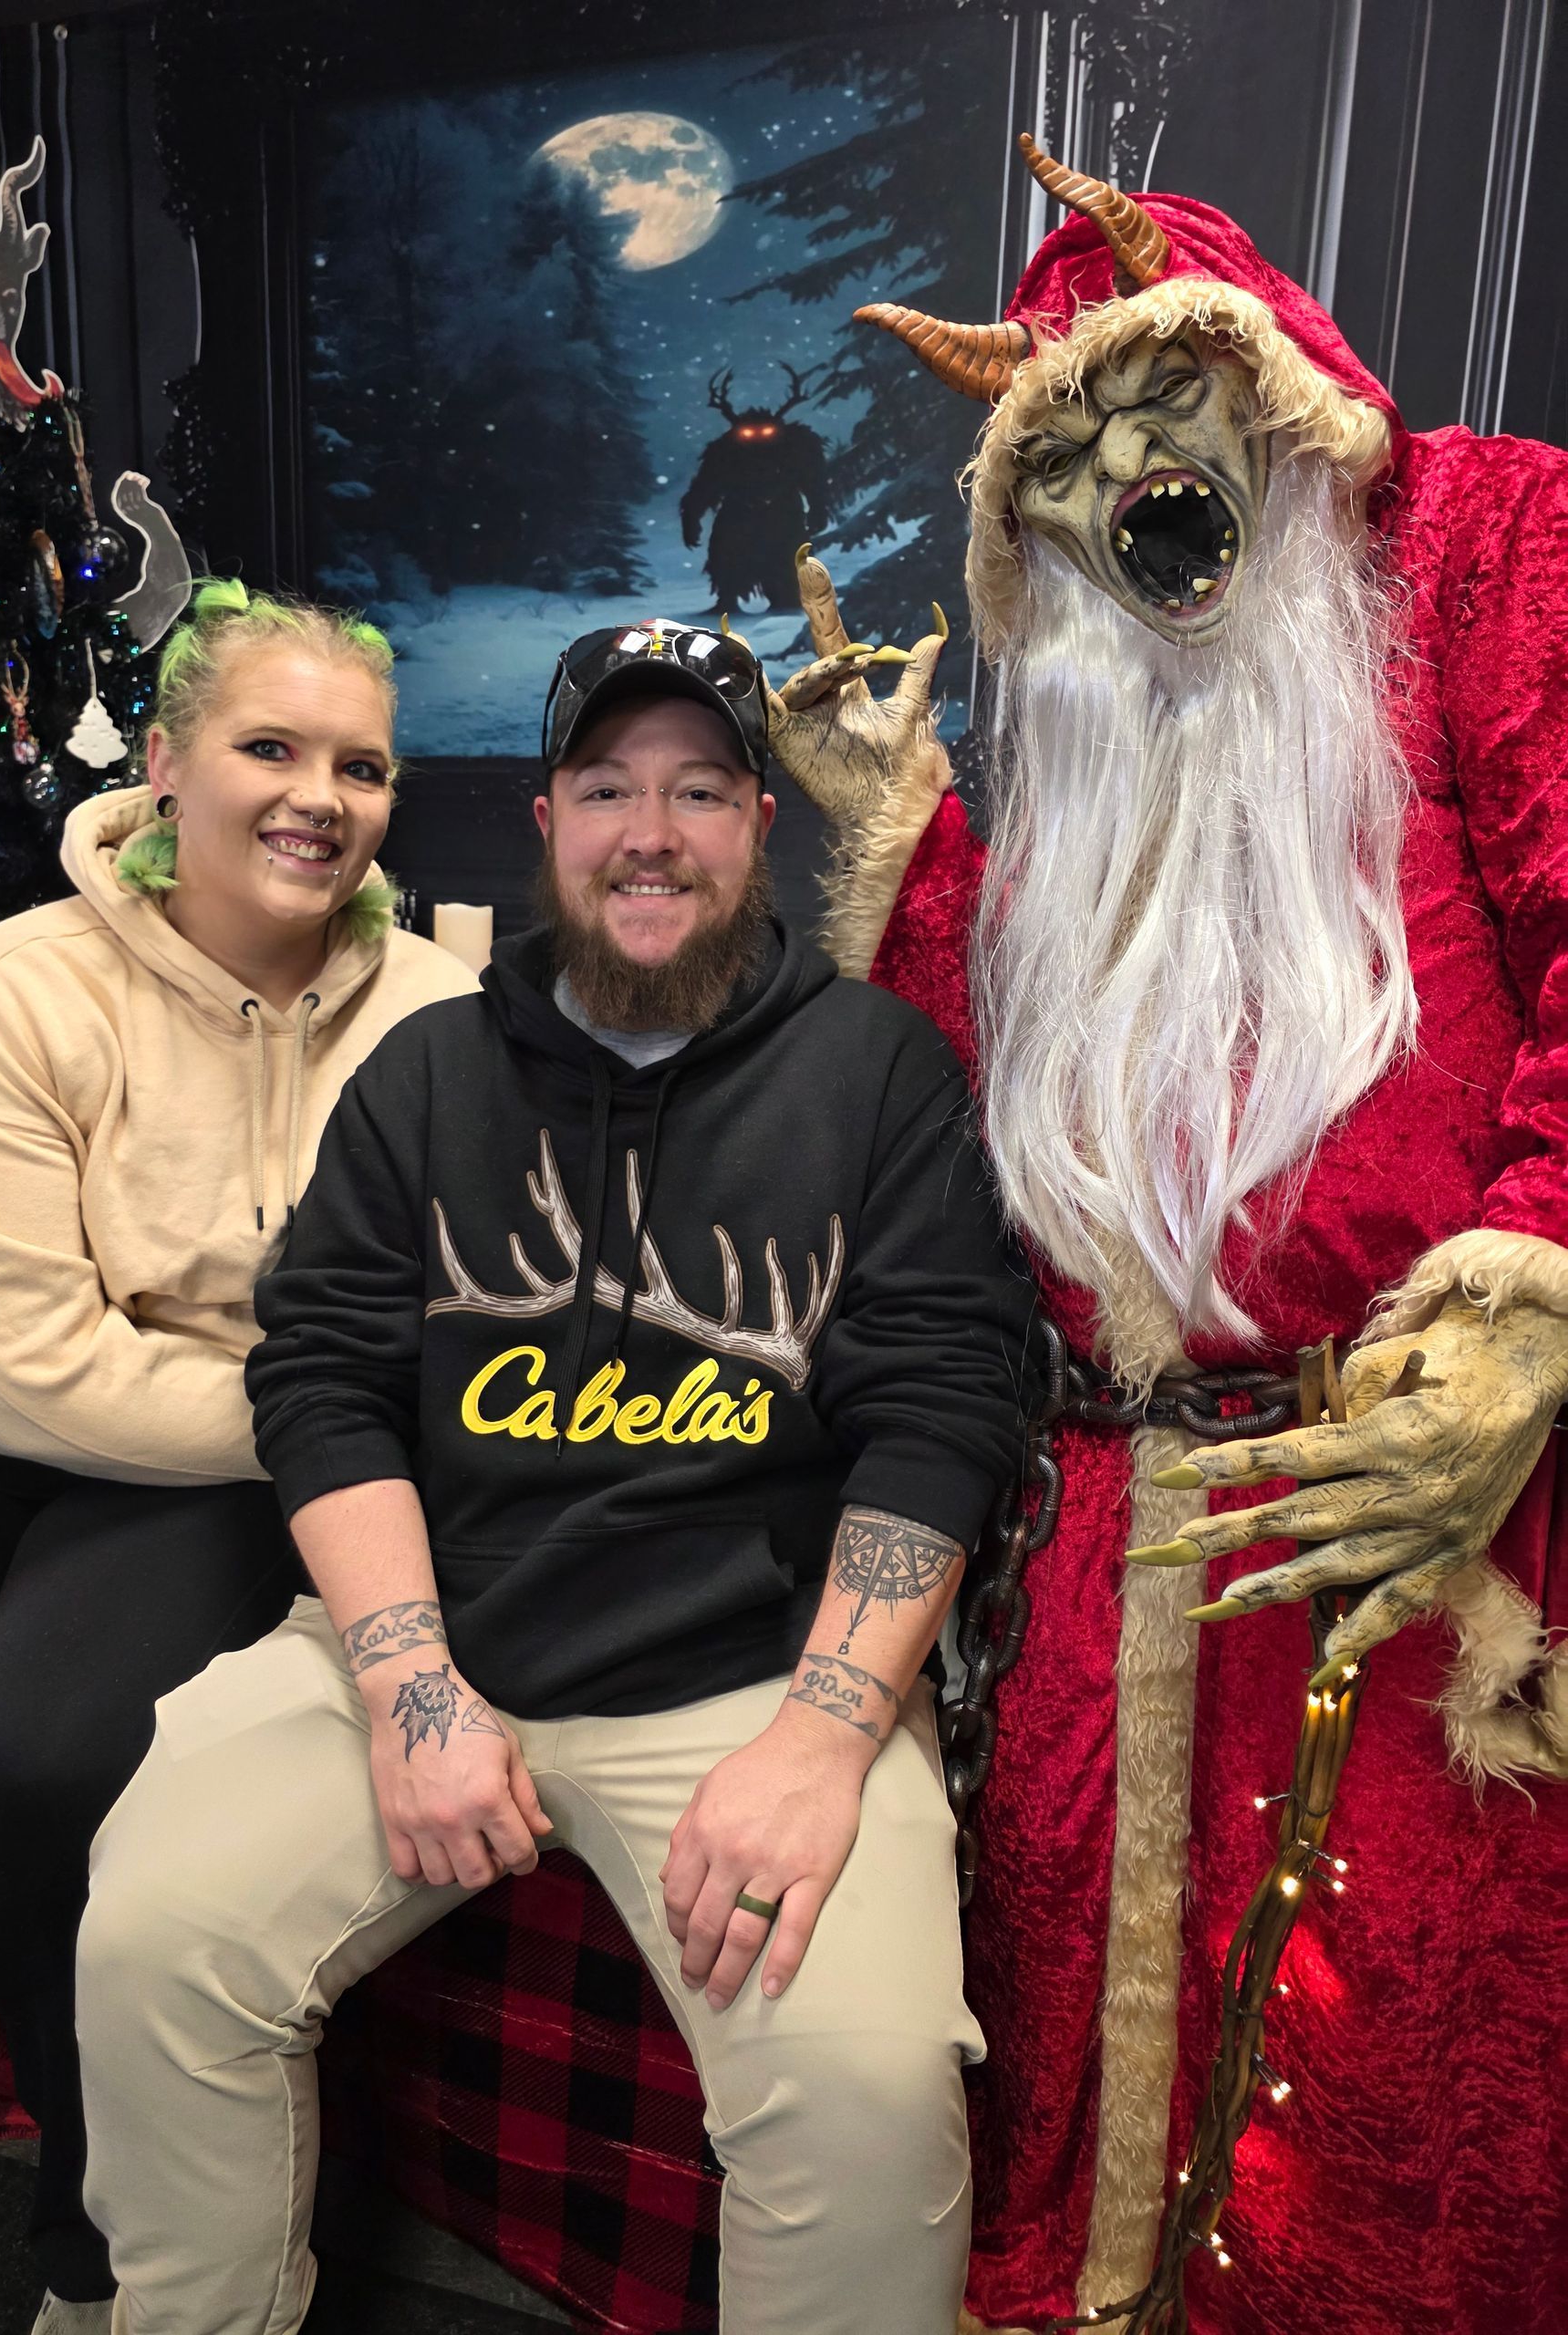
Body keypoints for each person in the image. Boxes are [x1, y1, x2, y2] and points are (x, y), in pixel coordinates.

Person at [765, 137, 1568, 2331]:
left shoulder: (1481, 542)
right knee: (1075, 2112)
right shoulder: (1102, 736)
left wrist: (1529, 1291)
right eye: (1064, 459)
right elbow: (1028, 1140)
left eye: (1161, 408)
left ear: (1275, 388)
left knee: (1388, 2124)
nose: (1129, 480)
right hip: (1119, 1534)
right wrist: (910, 844)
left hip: (1408, 1499)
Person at [74, 616, 1036, 2335]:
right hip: (427, 1640)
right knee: (157, 1937)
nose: (649, 835)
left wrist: (825, 1738)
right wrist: (406, 1685)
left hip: (751, 1682)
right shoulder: (428, 1072)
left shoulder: (879, 1071)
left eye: (699, 791)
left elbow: (945, 1406)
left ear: (761, 822)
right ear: (546, 821)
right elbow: (322, 1377)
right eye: (606, 788)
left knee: (867, 2095)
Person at [0, 579, 476, 2332]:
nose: (319, 797)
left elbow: (452, 1322)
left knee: (23, 1798)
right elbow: (13, 1369)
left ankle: (109, 2233)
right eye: (270, 748)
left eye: (361, 766)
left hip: (229, 1473)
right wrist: (327, 1406)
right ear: (167, 769)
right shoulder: (16, 986)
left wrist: (332, 1432)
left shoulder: (440, 1010)